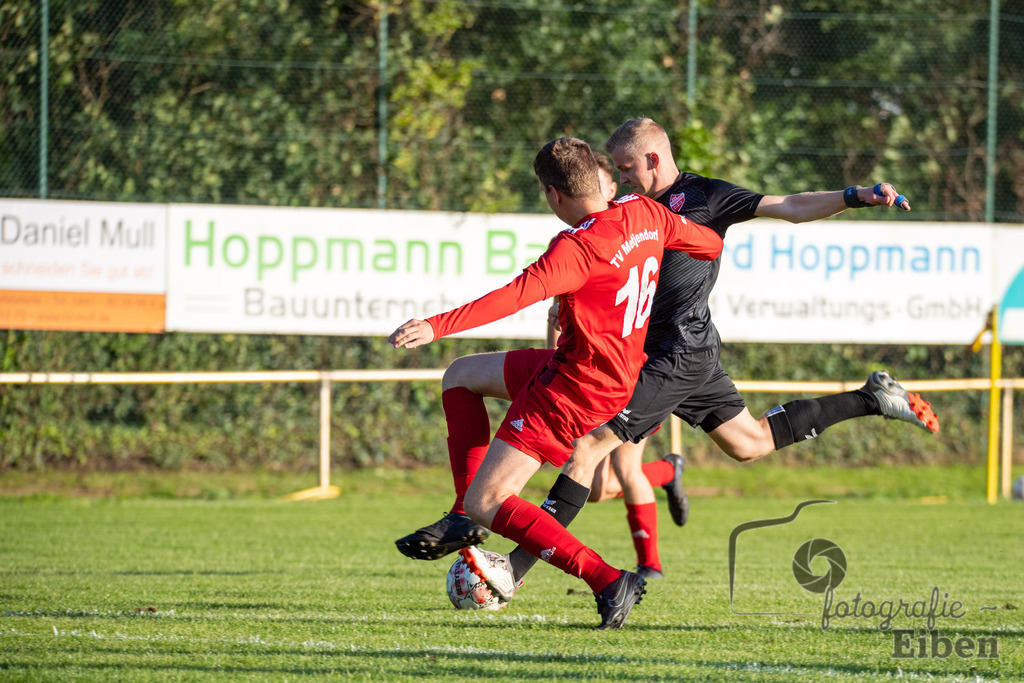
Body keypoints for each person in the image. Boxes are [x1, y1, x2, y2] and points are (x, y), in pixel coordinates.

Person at [397, 118, 939, 588]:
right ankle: (870, 398)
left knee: (586, 453)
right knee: (749, 443)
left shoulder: (705, 198)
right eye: (614, 168)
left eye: (627, 167)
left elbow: (790, 206)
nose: (620, 177)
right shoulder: (626, 211)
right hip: (672, 353)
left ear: (653, 159)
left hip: (670, 355)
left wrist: (853, 196)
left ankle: (511, 572)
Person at [389, 136, 724, 628]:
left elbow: (512, 296)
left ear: (553, 194)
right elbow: (709, 242)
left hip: (576, 385)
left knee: (492, 500)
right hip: (603, 368)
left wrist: (437, 325)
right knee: (460, 377)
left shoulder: (578, 248)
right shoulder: (642, 214)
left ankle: (608, 579)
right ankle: (463, 515)